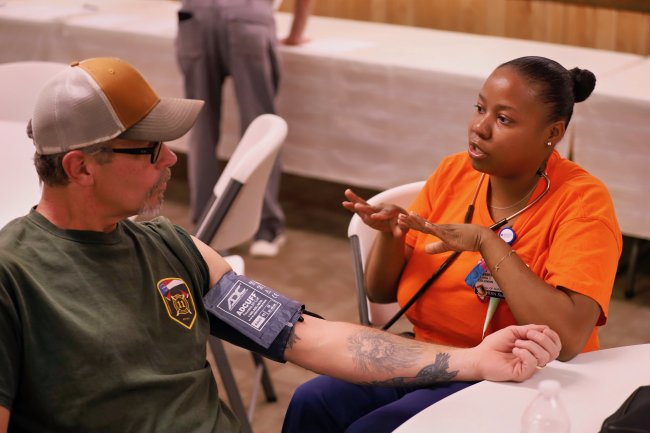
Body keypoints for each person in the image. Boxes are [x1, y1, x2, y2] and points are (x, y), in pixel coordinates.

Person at [0, 57, 562, 433]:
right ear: (80, 167)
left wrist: (471, 360)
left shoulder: (172, 246)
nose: (172, 159)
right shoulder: (14, 278)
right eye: (150, 150)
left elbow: (307, 337)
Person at [282, 56, 622, 433]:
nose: (480, 127)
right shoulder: (453, 172)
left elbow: (570, 338)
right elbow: (381, 293)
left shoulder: (582, 202)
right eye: (479, 108)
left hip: (518, 375)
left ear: (553, 133)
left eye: (504, 119)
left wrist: (486, 242)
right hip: (431, 355)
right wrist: (391, 238)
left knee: (375, 429)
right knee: (312, 402)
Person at [175, 0, 315, 258]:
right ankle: (266, 229)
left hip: (196, 16)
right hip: (248, 17)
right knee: (261, 127)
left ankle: (207, 230)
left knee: (201, 127)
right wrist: (295, 34)